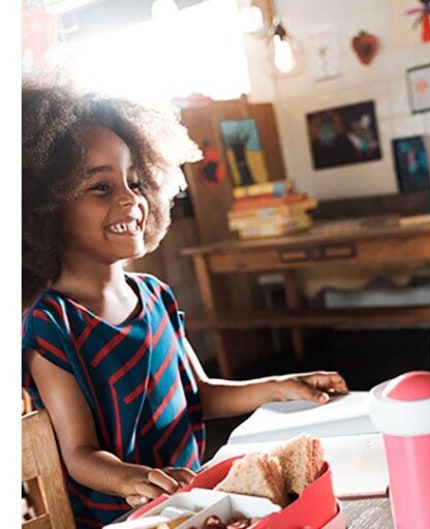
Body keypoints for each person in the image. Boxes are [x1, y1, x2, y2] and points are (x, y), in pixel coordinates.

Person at [21, 78, 349, 528]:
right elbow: (79, 453)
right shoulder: (51, 322)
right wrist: (132, 480)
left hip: (191, 500)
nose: (130, 199)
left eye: (134, 182)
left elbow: (199, 395)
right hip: (123, 518)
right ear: (44, 208)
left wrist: (280, 385)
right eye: (100, 187)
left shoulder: (156, 295)